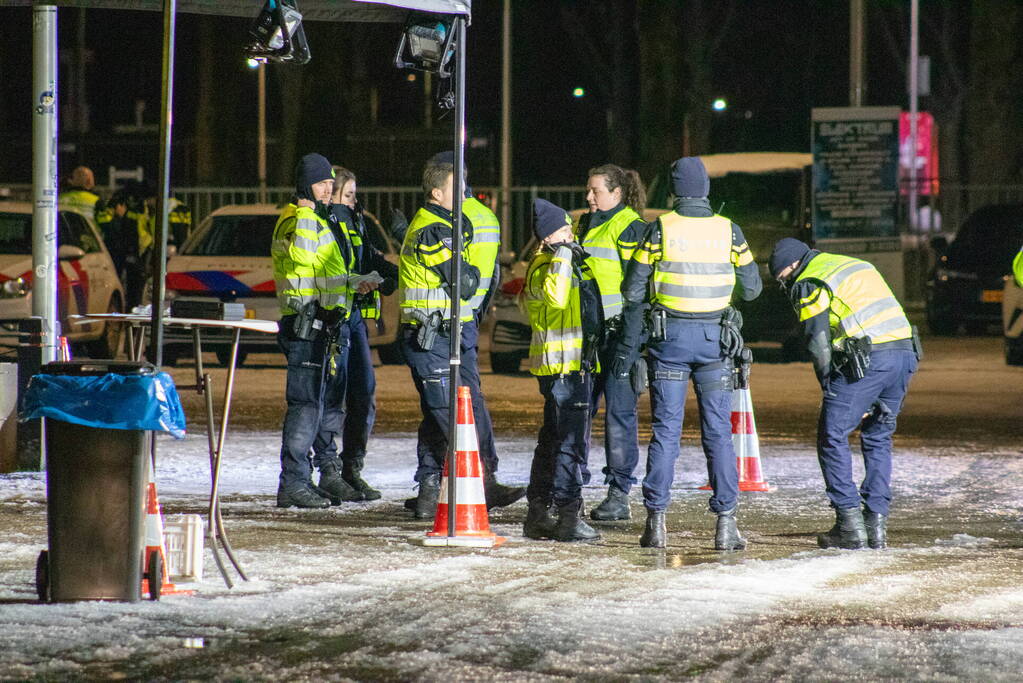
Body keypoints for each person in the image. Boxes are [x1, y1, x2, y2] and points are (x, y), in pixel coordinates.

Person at [615, 157, 762, 549]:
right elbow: (752, 289)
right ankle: (726, 525)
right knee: (718, 432)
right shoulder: (729, 231)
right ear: (706, 189)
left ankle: (656, 523)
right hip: (716, 343)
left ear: (676, 191)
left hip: (669, 342)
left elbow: (631, 289)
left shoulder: (660, 229)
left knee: (666, 430)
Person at [769, 237, 919, 550]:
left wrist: (830, 388)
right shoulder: (852, 264)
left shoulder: (809, 280)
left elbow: (818, 341)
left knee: (832, 434)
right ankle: (875, 522)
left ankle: (849, 524)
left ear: (792, 266)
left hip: (870, 362)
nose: (785, 285)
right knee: (877, 436)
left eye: (783, 278)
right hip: (905, 354)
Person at [402, 152, 524, 515]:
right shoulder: (436, 228)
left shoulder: (443, 223)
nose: (464, 191)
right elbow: (467, 282)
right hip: (436, 333)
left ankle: (433, 491)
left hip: (445, 330)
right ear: (437, 193)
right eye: (456, 187)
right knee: (454, 416)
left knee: (446, 412)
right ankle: (474, 488)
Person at [272, 153, 357, 509]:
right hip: (305, 324)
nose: (328, 190)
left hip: (323, 324)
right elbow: (304, 259)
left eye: (329, 184)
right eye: (322, 184)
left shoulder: (314, 219)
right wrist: (308, 212)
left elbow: (325, 270)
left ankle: (304, 479)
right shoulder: (299, 220)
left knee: (316, 405)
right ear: (306, 185)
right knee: (304, 407)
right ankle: (292, 482)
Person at [521, 199, 602, 542]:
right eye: (564, 229)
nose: (571, 234)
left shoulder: (557, 263)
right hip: (562, 369)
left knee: (553, 440)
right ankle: (568, 514)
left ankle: (539, 511)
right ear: (548, 235)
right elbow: (555, 297)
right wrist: (566, 254)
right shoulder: (544, 266)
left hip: (571, 366)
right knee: (570, 443)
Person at [577, 164, 648, 523]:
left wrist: (629, 346)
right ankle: (572, 484)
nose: (589, 197)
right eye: (588, 190)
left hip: (620, 338)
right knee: (579, 411)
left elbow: (639, 295)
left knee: (619, 417)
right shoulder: (589, 223)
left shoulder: (630, 227)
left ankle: (618, 495)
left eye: (595, 191)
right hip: (591, 338)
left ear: (616, 194)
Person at [329, 166, 399, 501]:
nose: (354, 201)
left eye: (354, 195)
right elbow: (336, 268)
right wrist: (360, 279)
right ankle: (328, 471)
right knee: (333, 396)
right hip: (333, 318)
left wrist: (388, 273)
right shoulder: (329, 221)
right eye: (349, 195)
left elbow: (366, 255)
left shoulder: (355, 220)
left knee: (363, 393)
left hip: (353, 317)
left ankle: (351, 468)